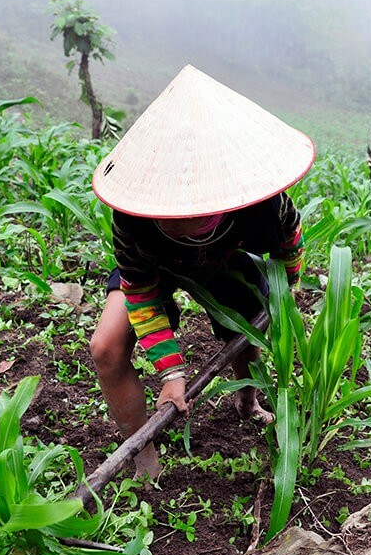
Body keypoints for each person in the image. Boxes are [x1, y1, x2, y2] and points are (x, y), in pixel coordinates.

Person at [89, 65, 315, 481]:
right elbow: (138, 290)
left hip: (224, 260)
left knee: (245, 329)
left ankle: (246, 402)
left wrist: (289, 286)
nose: (175, 215)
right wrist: (172, 374)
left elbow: (289, 242)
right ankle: (144, 456)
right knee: (106, 346)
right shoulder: (132, 215)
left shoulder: (263, 204)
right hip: (154, 270)